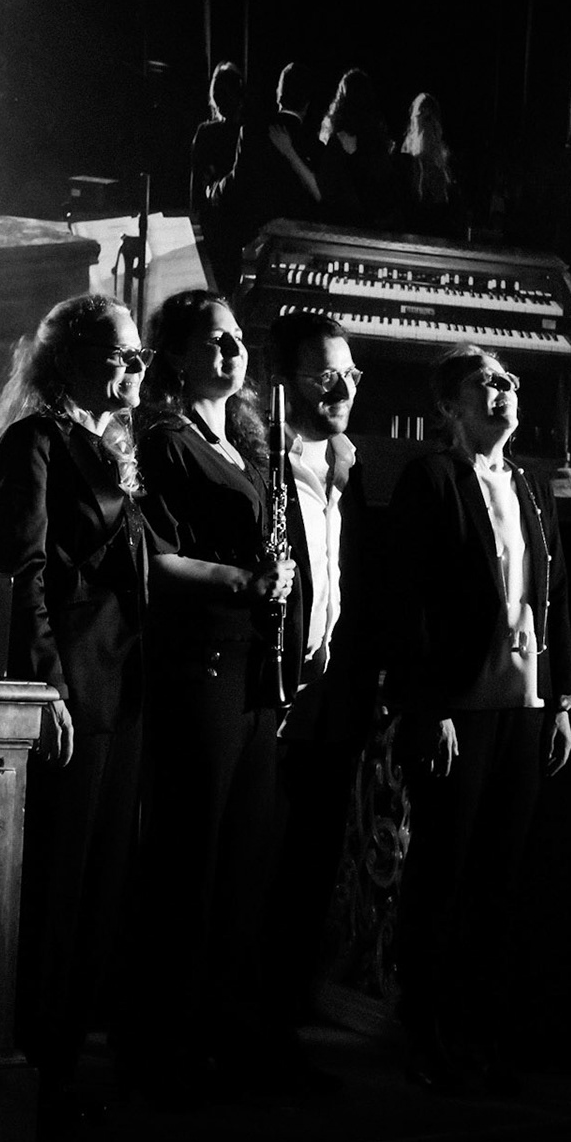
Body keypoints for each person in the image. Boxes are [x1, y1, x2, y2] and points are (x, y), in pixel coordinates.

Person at [0, 293, 153, 1130]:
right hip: (74, 686)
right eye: (121, 354)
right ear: (71, 357)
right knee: (58, 885)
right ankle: (32, 1069)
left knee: (103, 887)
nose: (136, 369)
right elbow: (25, 568)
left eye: (139, 356)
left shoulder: (113, 446)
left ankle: (69, 1062)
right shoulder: (34, 442)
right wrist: (46, 684)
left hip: (125, 686)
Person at [384, 343, 571, 1097]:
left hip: (524, 709)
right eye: (486, 383)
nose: (504, 392)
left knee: (500, 882)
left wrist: (561, 697)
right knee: (443, 875)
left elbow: (556, 594)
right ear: (451, 406)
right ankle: (425, 1034)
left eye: (510, 382)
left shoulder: (532, 487)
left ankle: (480, 1035)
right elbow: (411, 601)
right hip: (458, 710)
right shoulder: (431, 477)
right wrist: (427, 706)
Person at [123, 287, 296, 1103]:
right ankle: (163, 1046)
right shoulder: (161, 440)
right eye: (214, 341)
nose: (232, 353)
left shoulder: (251, 443)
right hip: (198, 664)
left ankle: (225, 1036)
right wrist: (243, 578)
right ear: (179, 355)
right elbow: (153, 559)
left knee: (244, 862)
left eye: (237, 342)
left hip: (254, 664)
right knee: (187, 861)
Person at [261, 312, 381, 1093]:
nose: (342, 388)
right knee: (257, 873)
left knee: (308, 873)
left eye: (351, 375)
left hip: (332, 703)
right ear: (290, 381)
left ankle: (281, 1031)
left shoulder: (349, 462)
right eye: (325, 374)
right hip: (268, 700)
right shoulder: (262, 457)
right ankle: (242, 1030)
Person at [206, 62, 322, 293]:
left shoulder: (252, 131)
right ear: (308, 104)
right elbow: (320, 196)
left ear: (279, 95)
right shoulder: (315, 145)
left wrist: (214, 190)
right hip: (299, 253)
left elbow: (237, 185)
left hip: (255, 248)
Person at [315, 68, 404, 231]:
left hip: (339, 228)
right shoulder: (379, 144)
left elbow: (326, 190)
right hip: (370, 230)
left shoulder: (338, 140)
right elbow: (386, 194)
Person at [190, 62, 246, 292]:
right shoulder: (247, 133)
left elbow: (196, 189)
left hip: (211, 226)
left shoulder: (205, 132)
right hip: (240, 228)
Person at [399, 92, 466, 239]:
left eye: (431, 117)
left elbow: (453, 209)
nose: (427, 122)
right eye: (422, 116)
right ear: (414, 120)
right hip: (413, 236)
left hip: (440, 236)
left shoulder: (447, 164)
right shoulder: (406, 161)